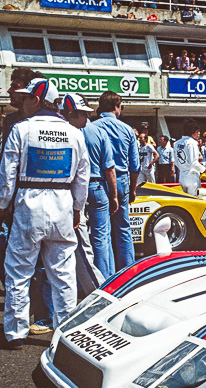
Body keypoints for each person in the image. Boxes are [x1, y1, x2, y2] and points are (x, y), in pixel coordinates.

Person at [0, 78, 89, 350]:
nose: (22, 102)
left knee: (19, 271)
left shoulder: (21, 129)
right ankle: (65, 333)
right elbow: (82, 177)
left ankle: (15, 332)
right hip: (62, 204)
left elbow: (7, 174)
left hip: (28, 206)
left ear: (36, 100)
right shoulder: (74, 133)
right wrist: (77, 209)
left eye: (25, 98)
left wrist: (1, 206)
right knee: (63, 274)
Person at [59, 93, 118, 280]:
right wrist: (114, 195)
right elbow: (109, 168)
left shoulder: (64, 133)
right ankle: (105, 279)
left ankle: (82, 278)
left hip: (71, 188)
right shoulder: (99, 132)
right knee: (101, 237)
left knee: (74, 238)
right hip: (97, 185)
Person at [92, 91, 139, 271]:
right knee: (123, 228)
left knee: (101, 231)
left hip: (98, 181)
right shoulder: (127, 129)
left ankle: (104, 273)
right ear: (116, 107)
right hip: (120, 180)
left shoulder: (91, 127)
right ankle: (128, 271)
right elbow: (134, 165)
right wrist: (132, 189)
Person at [174, 118, 206, 196]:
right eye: (198, 131)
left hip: (182, 176)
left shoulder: (177, 143)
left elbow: (176, 161)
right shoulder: (192, 143)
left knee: (184, 200)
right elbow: (194, 163)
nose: (199, 133)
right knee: (194, 200)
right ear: (193, 132)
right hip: (192, 177)